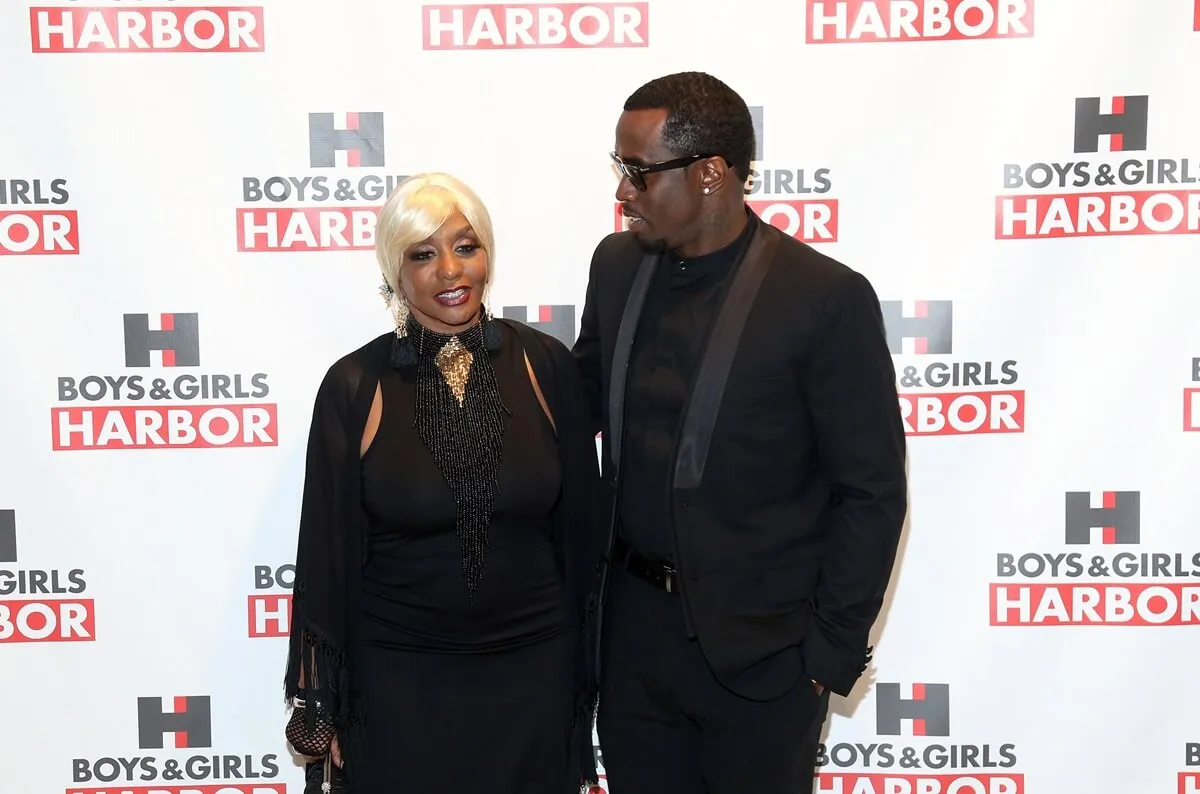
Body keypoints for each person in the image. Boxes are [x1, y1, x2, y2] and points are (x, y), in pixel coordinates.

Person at [572, 72, 909, 793]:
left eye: (637, 172)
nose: (623, 192)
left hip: (762, 659)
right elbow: (575, 410)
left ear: (710, 173)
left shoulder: (823, 298)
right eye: (619, 170)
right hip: (631, 647)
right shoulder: (616, 267)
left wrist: (828, 653)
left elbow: (871, 491)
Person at [282, 172, 603, 793]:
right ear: (394, 273)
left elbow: (583, 537)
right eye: (423, 255)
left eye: (466, 246)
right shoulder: (354, 386)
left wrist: (583, 674)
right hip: (398, 680)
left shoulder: (547, 367)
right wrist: (326, 699)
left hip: (532, 675)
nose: (451, 271)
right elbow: (325, 553)